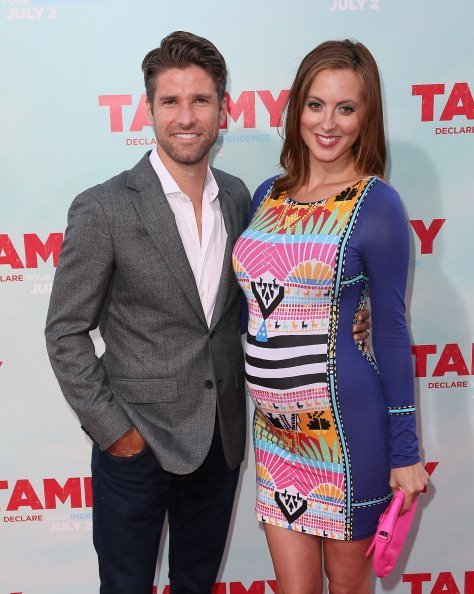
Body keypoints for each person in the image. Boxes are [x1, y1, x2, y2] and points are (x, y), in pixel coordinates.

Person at [45, 31, 371, 594]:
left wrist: (348, 316)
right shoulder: (104, 207)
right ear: (148, 110)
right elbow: (65, 332)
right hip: (136, 445)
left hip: (220, 442)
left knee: (196, 584)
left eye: (200, 100)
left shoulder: (244, 197)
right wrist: (115, 432)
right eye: (171, 101)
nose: (186, 117)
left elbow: (269, 295)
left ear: (223, 108)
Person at [232, 39, 429, 594]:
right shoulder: (267, 194)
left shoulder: (377, 202)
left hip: (346, 431)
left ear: (366, 118)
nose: (328, 123)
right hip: (273, 435)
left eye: (347, 108)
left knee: (346, 588)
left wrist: (407, 453)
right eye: (316, 104)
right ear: (297, 109)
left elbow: (389, 329)